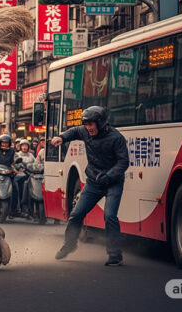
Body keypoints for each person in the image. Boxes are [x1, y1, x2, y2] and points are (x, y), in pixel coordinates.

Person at [53, 106, 128, 266]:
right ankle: (69, 245)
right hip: (94, 182)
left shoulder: (116, 138)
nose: (88, 128)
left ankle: (115, 255)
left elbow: (123, 162)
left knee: (110, 216)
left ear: (101, 123)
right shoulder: (85, 131)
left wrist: (108, 176)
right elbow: (74, 131)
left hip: (113, 182)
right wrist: (62, 137)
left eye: (91, 124)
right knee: (76, 214)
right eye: (86, 124)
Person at [14, 139, 36, 217]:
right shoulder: (17, 155)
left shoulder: (31, 155)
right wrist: (18, 168)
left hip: (30, 175)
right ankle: (19, 208)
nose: (24, 147)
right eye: (23, 145)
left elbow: (35, 164)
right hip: (19, 176)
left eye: (26, 145)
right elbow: (15, 164)